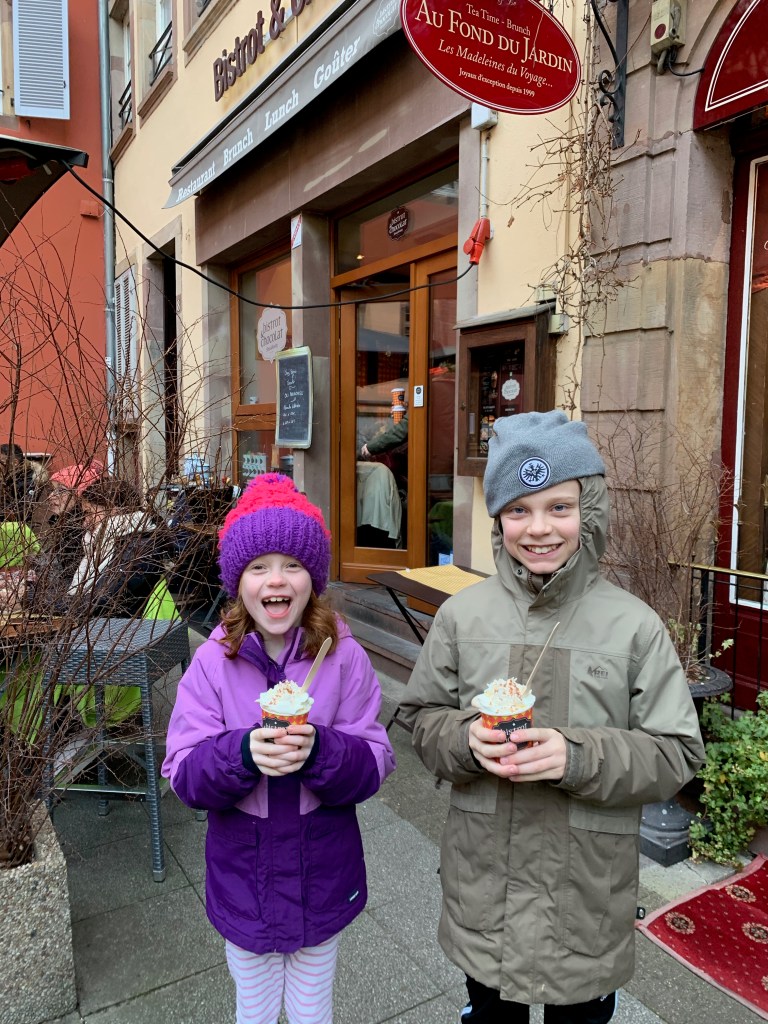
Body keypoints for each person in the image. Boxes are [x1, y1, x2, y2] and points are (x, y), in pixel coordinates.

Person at [397, 410, 705, 1024]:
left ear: (589, 511)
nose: (539, 528)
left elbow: (677, 751)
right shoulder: (462, 617)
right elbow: (421, 717)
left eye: (558, 507)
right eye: (518, 509)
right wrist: (465, 741)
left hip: (585, 901)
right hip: (484, 893)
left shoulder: (634, 627)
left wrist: (578, 756)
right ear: (498, 519)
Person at [161, 473, 396, 1024]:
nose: (276, 579)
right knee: (256, 1008)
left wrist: (321, 751)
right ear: (236, 580)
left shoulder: (342, 656)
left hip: (323, 871)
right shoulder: (213, 662)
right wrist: (242, 754)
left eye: (292, 564)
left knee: (313, 1009)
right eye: (258, 566)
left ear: (313, 578)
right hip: (244, 875)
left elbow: (375, 760)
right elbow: (185, 774)